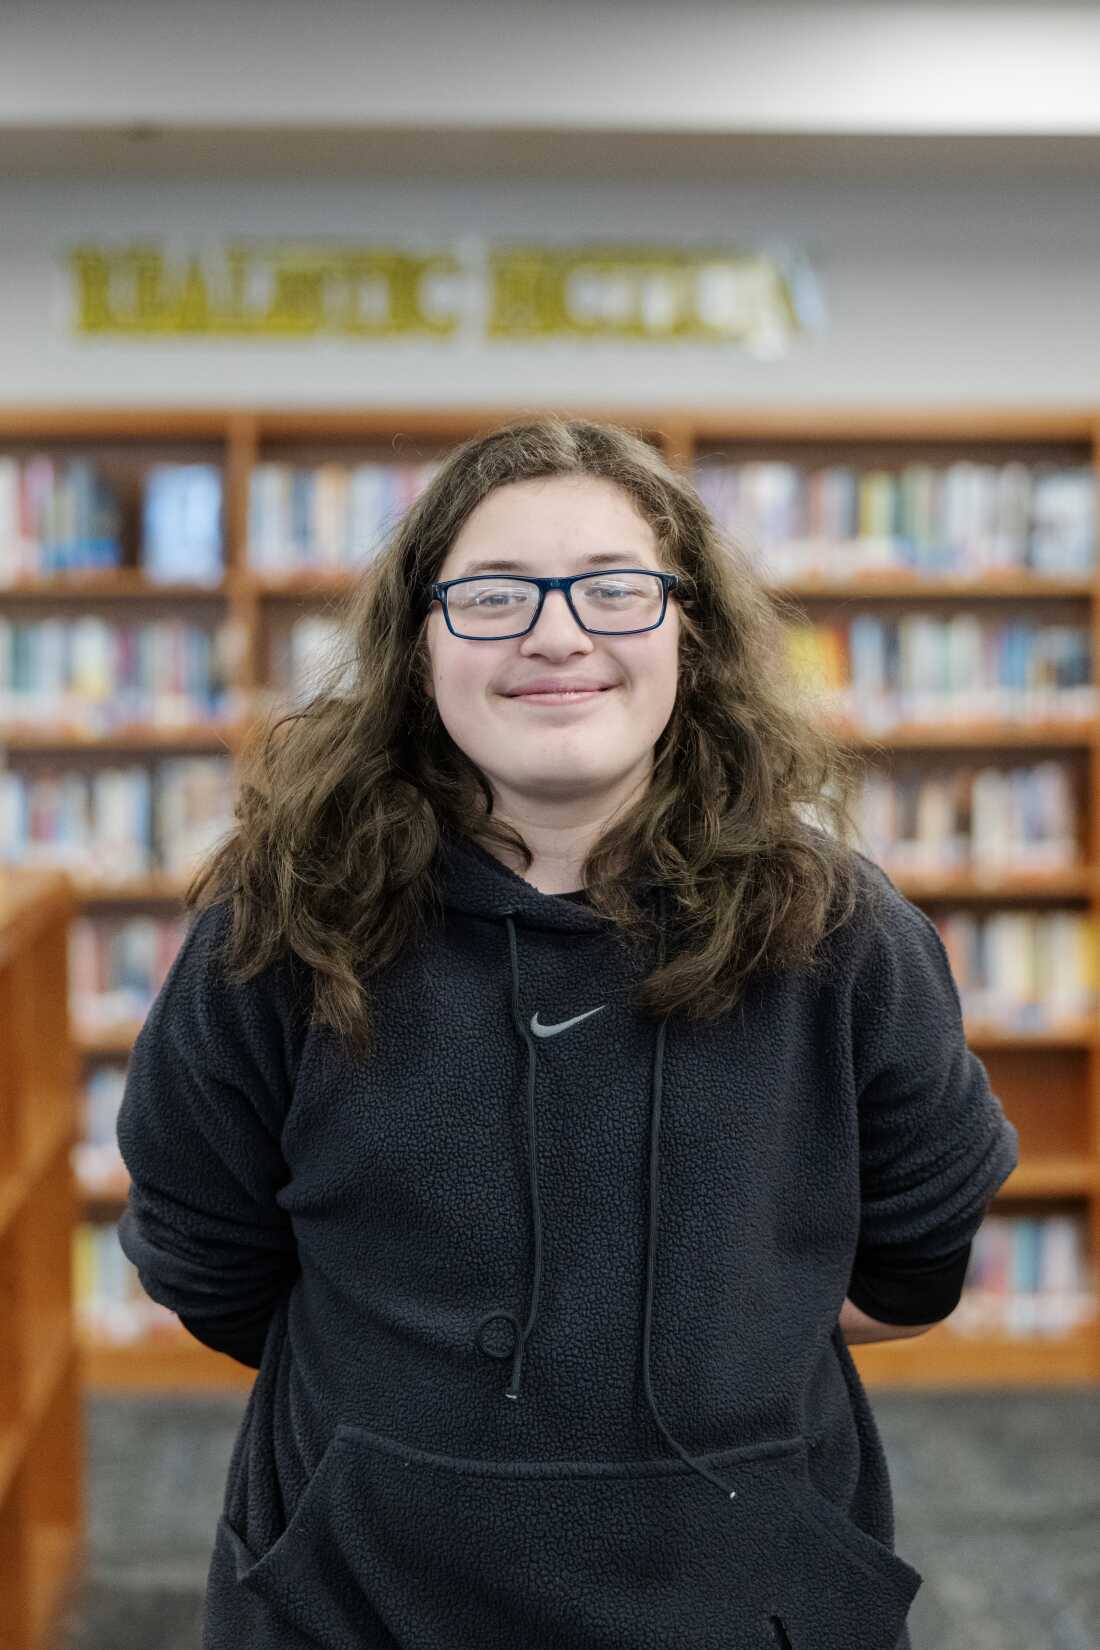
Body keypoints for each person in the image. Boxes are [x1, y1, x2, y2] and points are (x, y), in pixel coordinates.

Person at [116, 414, 1019, 1650]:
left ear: (688, 634)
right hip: (356, 1595)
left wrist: (722, 1347)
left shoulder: (846, 936)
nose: (555, 632)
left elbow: (915, 1265)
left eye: (613, 590)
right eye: (491, 595)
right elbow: (209, 1259)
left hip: (748, 1593)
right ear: (417, 642)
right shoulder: (276, 926)